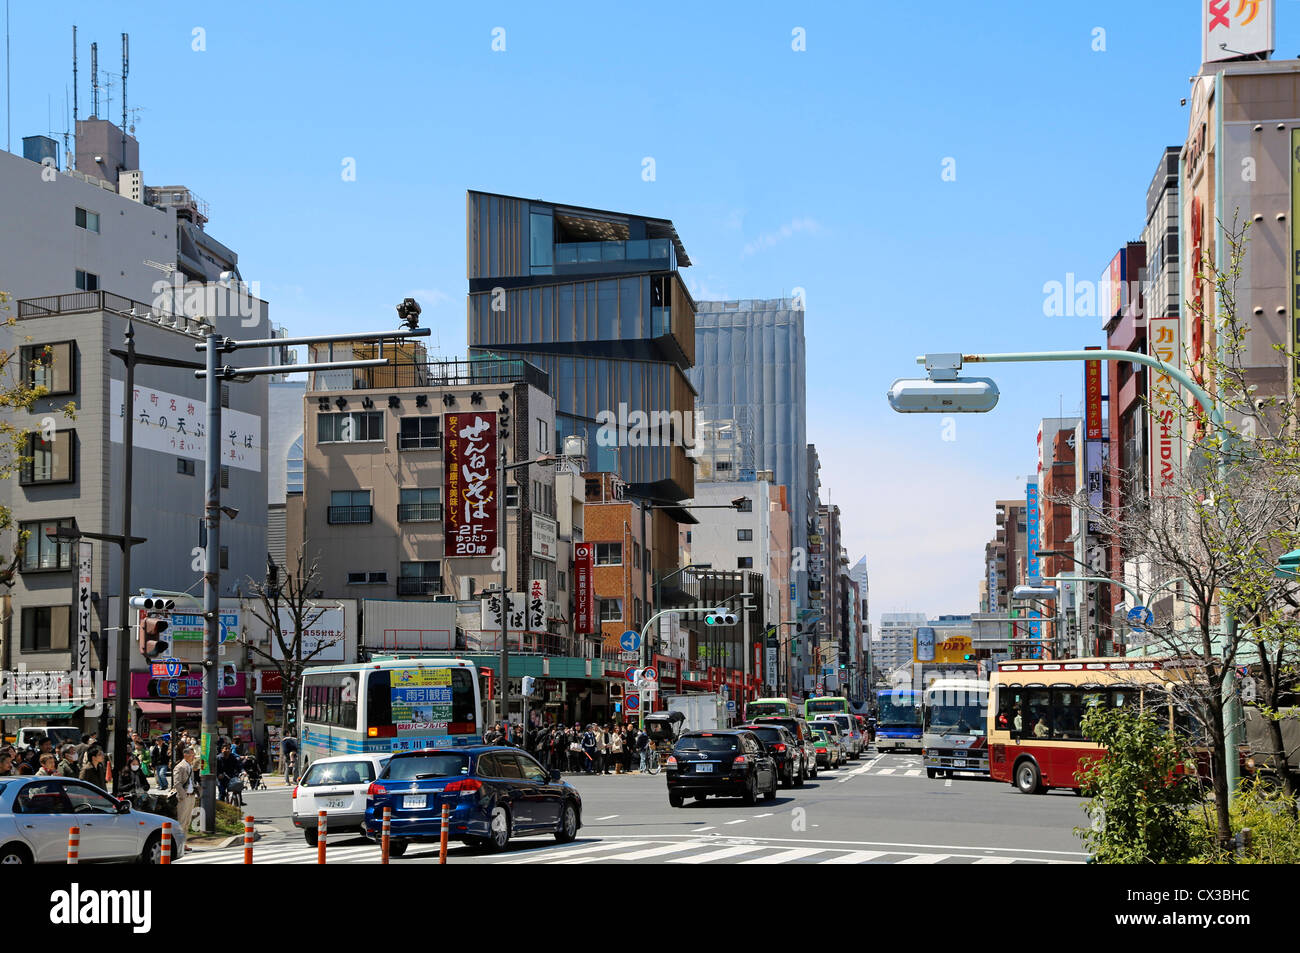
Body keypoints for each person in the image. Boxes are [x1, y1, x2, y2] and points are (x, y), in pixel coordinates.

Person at [171, 746, 199, 834]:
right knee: (182, 821)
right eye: (191, 754)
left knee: (188, 821)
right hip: (184, 797)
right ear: (185, 755)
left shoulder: (190, 766)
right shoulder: (180, 767)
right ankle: (179, 842)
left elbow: (191, 781)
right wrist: (183, 795)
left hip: (191, 796)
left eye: (193, 754)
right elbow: (177, 783)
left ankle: (184, 841)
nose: (193, 756)